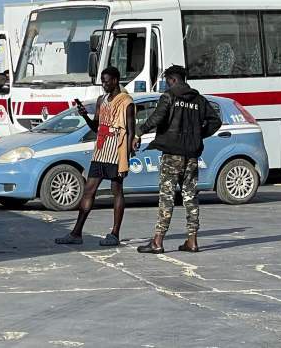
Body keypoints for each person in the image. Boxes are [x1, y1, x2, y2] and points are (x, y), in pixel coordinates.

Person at [135, 65, 222, 254]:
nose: (167, 84)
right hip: (191, 155)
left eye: (168, 81)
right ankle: (192, 240)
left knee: (166, 197)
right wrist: (197, 136)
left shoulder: (169, 96)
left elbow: (157, 118)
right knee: (190, 197)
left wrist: (139, 133)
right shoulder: (199, 100)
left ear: (173, 80)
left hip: (172, 154)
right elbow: (216, 121)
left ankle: (157, 241)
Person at [55, 67, 135, 246]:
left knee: (117, 192)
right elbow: (96, 128)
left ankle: (114, 234)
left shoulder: (126, 102)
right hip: (100, 151)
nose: (104, 84)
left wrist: (126, 158)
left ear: (115, 80)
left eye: (106, 81)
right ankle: (76, 233)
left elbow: (130, 131)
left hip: (117, 151)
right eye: (103, 81)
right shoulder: (101, 100)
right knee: (89, 190)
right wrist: (85, 117)